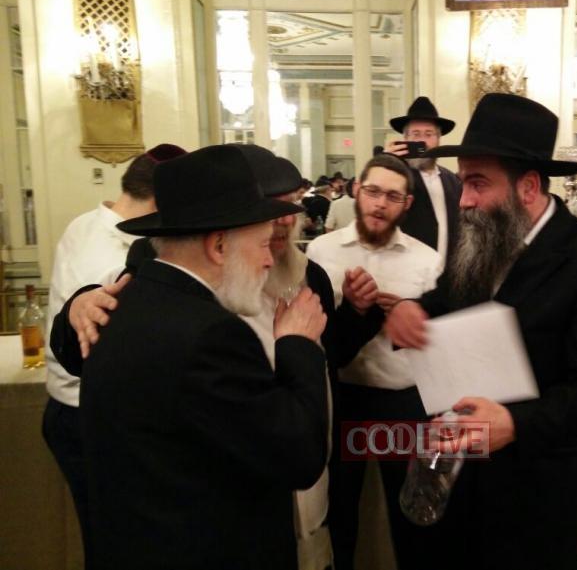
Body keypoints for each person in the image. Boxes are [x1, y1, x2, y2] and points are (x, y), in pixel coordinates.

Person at [51, 146, 383, 570]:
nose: (272, 251)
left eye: (289, 209)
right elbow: (297, 454)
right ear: (220, 244)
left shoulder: (153, 294)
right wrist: (296, 344)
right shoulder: (204, 327)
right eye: (263, 236)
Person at [384, 93, 577, 570]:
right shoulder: (481, 234)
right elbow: (446, 300)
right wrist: (408, 308)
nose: (464, 200)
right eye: (463, 181)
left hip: (537, 493)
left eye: (478, 183)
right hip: (460, 480)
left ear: (528, 187)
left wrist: (516, 424)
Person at [41, 142, 185, 568]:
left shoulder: (85, 223)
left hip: (72, 409)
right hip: (89, 415)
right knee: (120, 544)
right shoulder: (113, 255)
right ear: (160, 202)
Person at [306, 153, 443, 570]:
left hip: (401, 403)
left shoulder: (427, 260)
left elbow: (437, 341)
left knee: (411, 513)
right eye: (372, 191)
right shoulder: (321, 250)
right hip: (341, 398)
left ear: (407, 204)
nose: (380, 204)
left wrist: (407, 313)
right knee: (338, 510)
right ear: (355, 190)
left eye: (392, 196)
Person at [386, 96, 462, 261]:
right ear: (406, 139)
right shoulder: (397, 177)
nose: (423, 141)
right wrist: (387, 163)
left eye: (429, 134)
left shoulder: (452, 181)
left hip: (447, 272)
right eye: (416, 134)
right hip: (406, 270)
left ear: (438, 139)